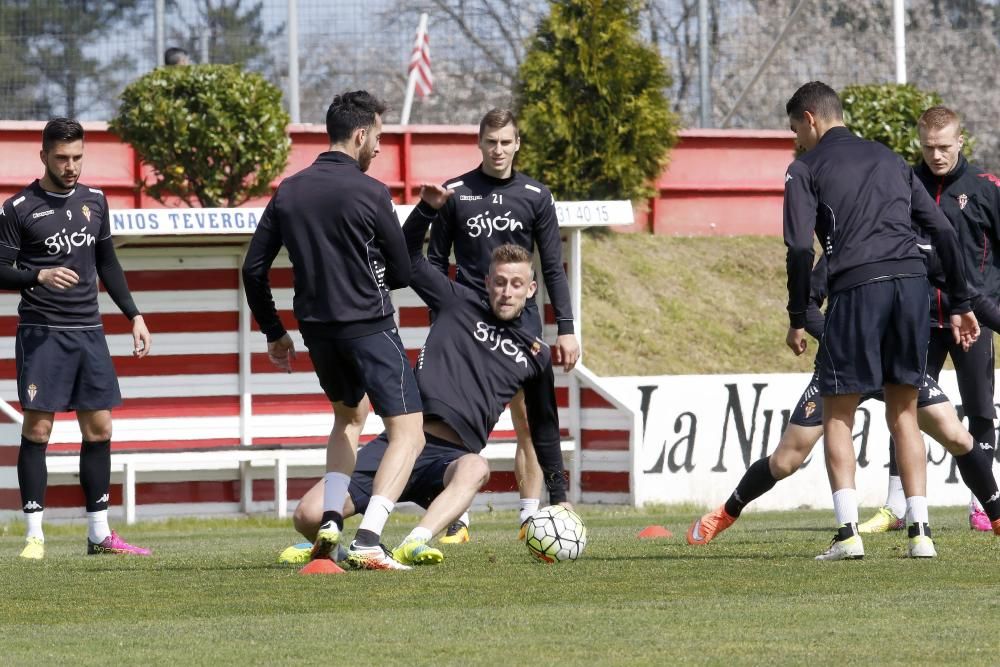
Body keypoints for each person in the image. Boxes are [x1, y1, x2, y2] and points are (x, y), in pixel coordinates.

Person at [283, 186, 570, 566]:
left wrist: (560, 497)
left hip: (448, 462)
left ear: (531, 290)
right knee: (307, 515)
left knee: (477, 467)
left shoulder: (535, 355)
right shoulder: (456, 301)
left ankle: (414, 542)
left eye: (516, 284)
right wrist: (426, 211)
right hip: (400, 443)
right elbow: (408, 258)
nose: (506, 291)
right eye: (499, 282)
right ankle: (339, 550)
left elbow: (544, 430)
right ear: (487, 282)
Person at [783, 81, 978, 560]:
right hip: (912, 289)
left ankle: (848, 534)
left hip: (856, 290)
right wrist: (959, 300)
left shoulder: (804, 167)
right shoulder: (891, 158)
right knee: (904, 413)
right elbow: (942, 230)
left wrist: (796, 313)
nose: (797, 140)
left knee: (839, 414)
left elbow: (795, 248)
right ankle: (921, 535)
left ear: (809, 118)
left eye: (795, 129)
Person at [688, 256, 1000, 547]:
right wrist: (838, 339)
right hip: (842, 364)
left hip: (891, 364)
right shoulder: (843, 244)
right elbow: (807, 302)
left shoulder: (910, 241)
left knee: (957, 435)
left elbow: (966, 292)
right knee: (785, 460)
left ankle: (996, 517)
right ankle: (725, 513)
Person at [242, 91, 425, 571]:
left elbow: (252, 270)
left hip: (318, 333)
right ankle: (368, 539)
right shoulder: (371, 191)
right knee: (410, 433)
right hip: (369, 327)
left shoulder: (289, 190)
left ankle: (329, 522)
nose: (381, 148)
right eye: (380, 138)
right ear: (361, 134)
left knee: (348, 418)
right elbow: (403, 273)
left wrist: (274, 332)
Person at [0, 118, 152, 560]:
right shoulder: (18, 208)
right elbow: (1, 268)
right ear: (43, 155)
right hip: (43, 331)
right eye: (62, 158)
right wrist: (39, 274)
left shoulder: (95, 201)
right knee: (39, 427)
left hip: (90, 331)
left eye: (78, 158)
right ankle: (34, 535)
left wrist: (134, 315)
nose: (71, 167)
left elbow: (108, 263)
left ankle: (99, 534)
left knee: (100, 427)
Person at [427, 109, 580, 542]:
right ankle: (457, 518)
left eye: (506, 142)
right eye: (491, 142)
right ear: (480, 143)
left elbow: (552, 268)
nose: (498, 150)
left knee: (529, 421)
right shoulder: (455, 192)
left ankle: (531, 519)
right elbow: (436, 263)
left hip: (522, 324)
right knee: (459, 421)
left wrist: (565, 328)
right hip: (468, 325)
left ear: (517, 144)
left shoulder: (536, 195)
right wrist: (441, 322)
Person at [860, 105, 1000, 534]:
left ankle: (983, 501)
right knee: (904, 408)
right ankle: (896, 505)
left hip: (972, 320)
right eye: (928, 147)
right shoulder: (905, 184)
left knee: (979, 410)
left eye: (944, 147)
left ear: (961, 141)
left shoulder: (986, 188)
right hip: (915, 318)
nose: (936, 155)